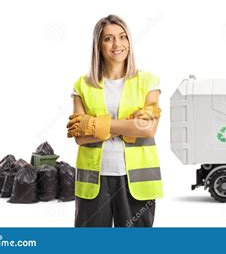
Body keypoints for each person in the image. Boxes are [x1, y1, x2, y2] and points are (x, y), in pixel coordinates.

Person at [67, 14, 163, 227]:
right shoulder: (82, 84)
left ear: (129, 41)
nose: (117, 44)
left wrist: (96, 124)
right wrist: (128, 126)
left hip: (136, 182)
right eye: (108, 38)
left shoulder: (148, 82)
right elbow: (80, 138)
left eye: (122, 37)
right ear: (98, 45)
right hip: (94, 180)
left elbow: (147, 129)